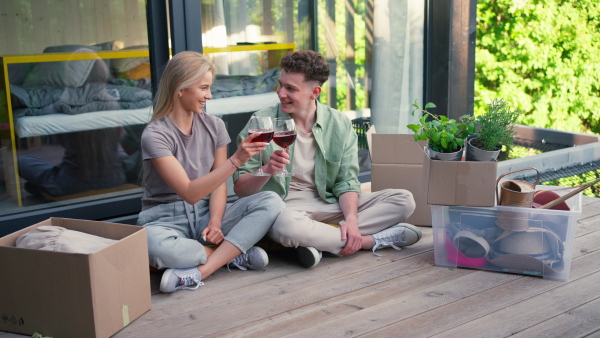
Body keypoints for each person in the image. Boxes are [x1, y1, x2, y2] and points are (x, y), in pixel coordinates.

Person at [233, 50, 421, 268]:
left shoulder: (339, 124)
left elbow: (346, 182)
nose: (281, 93)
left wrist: (351, 219)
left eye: (290, 88)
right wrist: (266, 171)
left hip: (330, 203)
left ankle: (321, 240)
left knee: (404, 200)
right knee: (286, 227)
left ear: (315, 92)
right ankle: (370, 241)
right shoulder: (261, 122)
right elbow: (240, 190)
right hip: (285, 208)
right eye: (280, 84)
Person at [137, 51, 285, 293]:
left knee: (271, 201)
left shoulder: (215, 125)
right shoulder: (154, 135)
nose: (210, 95)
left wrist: (216, 222)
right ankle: (231, 255)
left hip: (207, 214)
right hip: (165, 220)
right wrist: (236, 159)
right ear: (180, 88)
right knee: (150, 244)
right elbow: (189, 192)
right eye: (204, 88)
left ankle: (203, 268)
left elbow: (218, 184)